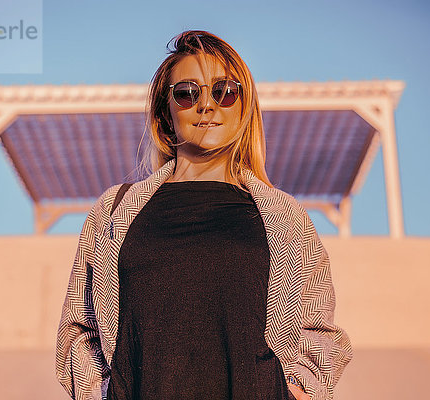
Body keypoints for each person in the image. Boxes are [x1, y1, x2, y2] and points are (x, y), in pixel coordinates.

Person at [55, 30, 352, 400]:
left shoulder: (285, 217)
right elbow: (78, 329)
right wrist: (102, 392)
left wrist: (299, 392)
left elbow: (319, 332)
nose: (206, 105)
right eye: (187, 93)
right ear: (167, 113)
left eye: (224, 91)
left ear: (244, 105)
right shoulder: (115, 210)